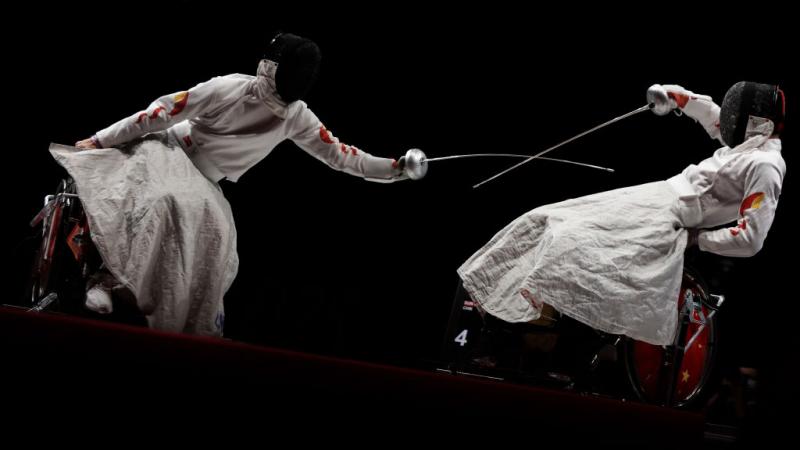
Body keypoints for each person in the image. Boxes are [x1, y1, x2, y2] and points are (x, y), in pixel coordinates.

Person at [50, 33, 417, 336]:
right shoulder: (230, 87)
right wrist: (101, 139)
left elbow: (343, 156)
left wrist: (395, 168)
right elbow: (162, 112)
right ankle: (100, 278)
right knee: (166, 201)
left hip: (204, 180)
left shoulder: (298, 117)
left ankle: (136, 300)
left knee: (216, 238)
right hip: (167, 153)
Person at [458, 81, 786, 346]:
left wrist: (698, 239)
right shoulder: (748, 145)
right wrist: (680, 98)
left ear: (758, 123)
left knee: (570, 238)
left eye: (735, 116)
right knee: (547, 216)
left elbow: (750, 238)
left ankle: (537, 322)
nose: (726, 121)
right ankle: (498, 304)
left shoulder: (766, 166)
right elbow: (714, 117)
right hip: (655, 195)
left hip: (669, 218)